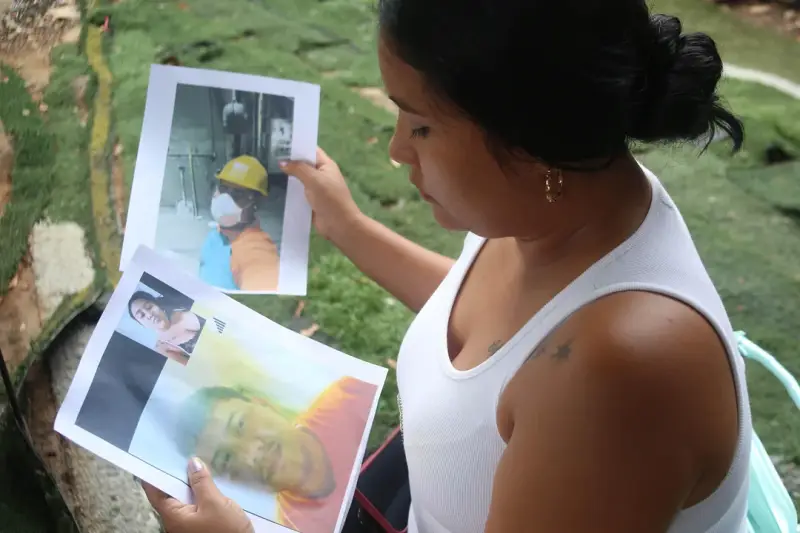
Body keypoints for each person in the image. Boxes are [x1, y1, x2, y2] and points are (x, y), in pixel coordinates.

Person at [143, 1, 755, 532]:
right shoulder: (564, 202)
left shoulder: (617, 379)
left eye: (420, 125)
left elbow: (541, 362)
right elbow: (498, 333)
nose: (396, 149)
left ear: (526, 133)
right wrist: (349, 228)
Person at [174, 376, 377, 533]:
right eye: (227, 459)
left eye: (241, 425)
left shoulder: (348, 397)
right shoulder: (293, 527)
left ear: (262, 403)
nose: (251, 454)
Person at [199, 155, 280, 292]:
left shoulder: (257, 252)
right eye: (223, 189)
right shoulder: (216, 235)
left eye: (238, 194)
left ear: (257, 202)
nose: (225, 199)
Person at [128, 291, 206, 365]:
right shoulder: (162, 348)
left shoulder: (183, 310)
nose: (149, 315)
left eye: (149, 307)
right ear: (142, 325)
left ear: (157, 305)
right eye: (141, 315)